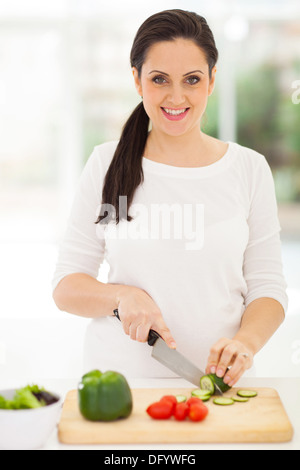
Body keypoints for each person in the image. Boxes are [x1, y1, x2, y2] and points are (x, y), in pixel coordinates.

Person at [52, 9, 288, 386]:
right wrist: (121, 297)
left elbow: (268, 288)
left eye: (191, 80)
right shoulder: (105, 163)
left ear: (211, 81)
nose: (176, 97)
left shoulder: (249, 168)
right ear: (137, 80)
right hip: (119, 388)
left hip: (222, 388)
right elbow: (67, 287)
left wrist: (245, 342)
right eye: (159, 79)